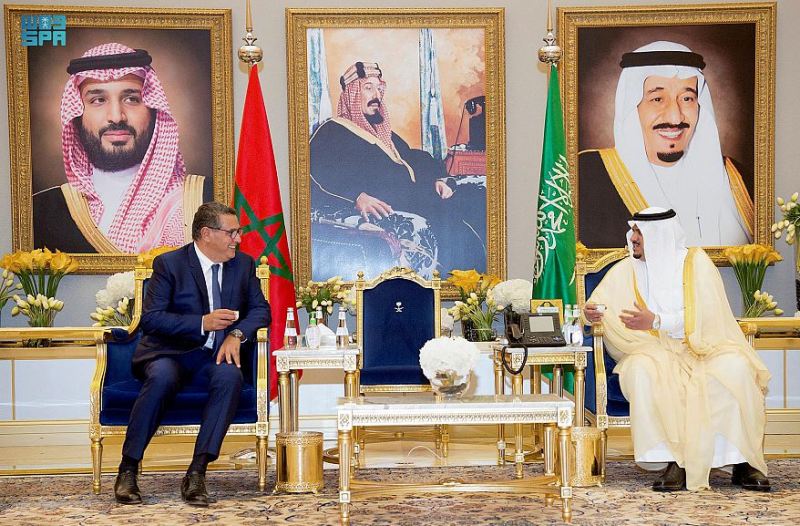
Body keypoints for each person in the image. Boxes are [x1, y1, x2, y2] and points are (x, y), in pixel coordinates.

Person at [583, 206, 770, 492]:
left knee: (737, 368)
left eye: (640, 233)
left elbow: (708, 312)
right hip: (652, 349)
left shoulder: (697, 264)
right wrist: (591, 314)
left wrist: (658, 320)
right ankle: (674, 460)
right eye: (633, 231)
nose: (633, 238)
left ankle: (742, 460)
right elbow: (598, 306)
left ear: (660, 236)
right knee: (642, 370)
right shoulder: (626, 270)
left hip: (705, 346)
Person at [113, 202, 270, 506]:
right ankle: (128, 468)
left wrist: (236, 334)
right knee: (161, 377)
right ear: (206, 233)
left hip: (216, 355)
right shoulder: (170, 264)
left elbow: (261, 310)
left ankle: (197, 471)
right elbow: (152, 319)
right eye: (232, 232)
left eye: (238, 232)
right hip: (169, 353)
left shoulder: (243, 265)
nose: (238, 239)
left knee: (230, 376)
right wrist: (202, 323)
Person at [309, 61, 485, 277]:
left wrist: (437, 179)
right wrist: (356, 196)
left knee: (474, 197)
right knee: (452, 220)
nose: (377, 95)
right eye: (368, 88)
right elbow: (319, 170)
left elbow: (412, 158)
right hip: (396, 205)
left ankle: (476, 281)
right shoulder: (333, 131)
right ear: (351, 95)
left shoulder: (383, 133)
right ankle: (465, 282)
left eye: (379, 88)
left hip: (418, 197)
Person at [33, 42, 208, 254]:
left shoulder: (202, 199)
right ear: (77, 116)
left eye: (132, 99)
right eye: (98, 100)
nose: (116, 116)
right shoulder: (41, 211)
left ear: (154, 111)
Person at [578, 41, 753, 248]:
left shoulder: (738, 178)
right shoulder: (588, 176)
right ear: (632, 108)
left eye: (687, 98)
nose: (675, 117)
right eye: (657, 99)